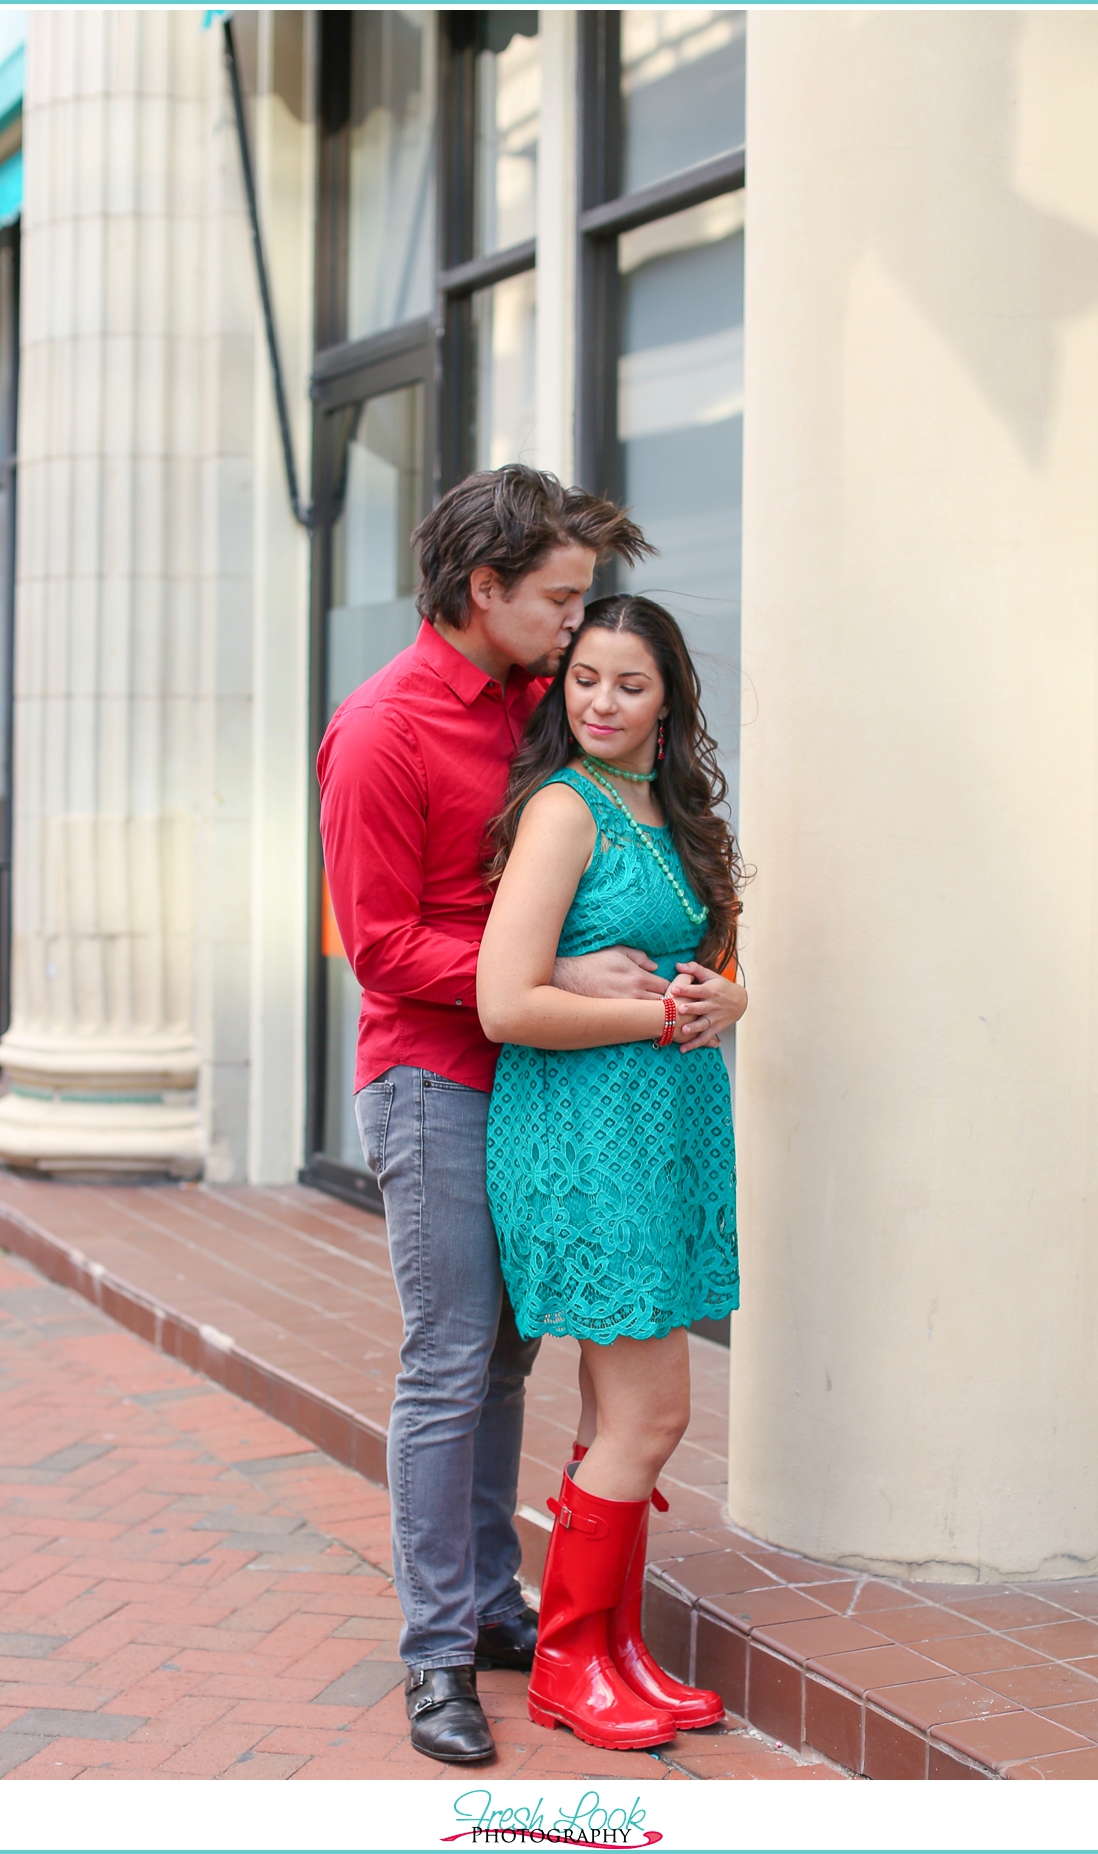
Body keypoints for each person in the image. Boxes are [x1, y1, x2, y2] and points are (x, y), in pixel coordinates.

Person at [317, 467, 662, 1764]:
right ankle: (435, 1658)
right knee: (451, 1360)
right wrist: (541, 974)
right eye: (561, 600)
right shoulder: (382, 729)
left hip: (535, 1079)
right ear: (485, 590)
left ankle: (486, 1601)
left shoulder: (545, 707)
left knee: (506, 1361)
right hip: (434, 1077)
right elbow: (384, 944)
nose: (581, 629)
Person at [478, 594, 747, 1750]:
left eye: (627, 684)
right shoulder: (562, 810)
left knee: (610, 1414)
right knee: (658, 1411)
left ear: (669, 699)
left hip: (671, 1136)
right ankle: (567, 1664)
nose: (598, 701)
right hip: (584, 1140)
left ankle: (614, 1652)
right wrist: (648, 1023)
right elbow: (506, 1002)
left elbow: (716, 959)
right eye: (583, 677)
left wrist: (730, 995)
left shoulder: (671, 810)